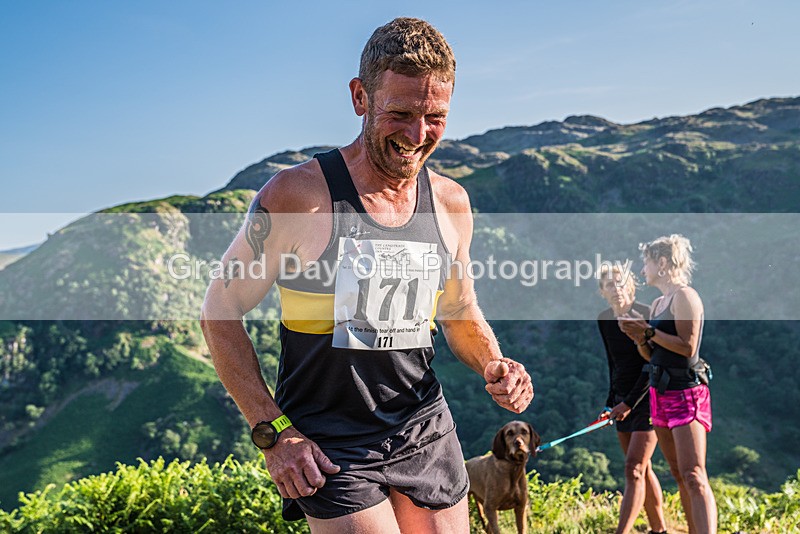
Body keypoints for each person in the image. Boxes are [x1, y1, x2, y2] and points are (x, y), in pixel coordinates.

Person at [200, 17, 533, 534]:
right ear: (360, 97)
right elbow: (219, 313)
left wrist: (495, 364)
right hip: (330, 437)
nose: (417, 135)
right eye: (399, 113)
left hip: (422, 426)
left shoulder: (450, 203)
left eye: (435, 117)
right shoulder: (297, 197)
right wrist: (274, 433)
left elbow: (459, 311)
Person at [618, 235, 717, 533]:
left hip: (687, 394)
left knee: (694, 475)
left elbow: (688, 347)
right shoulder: (660, 302)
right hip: (659, 394)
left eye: (646, 262)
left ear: (662, 263)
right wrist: (638, 339)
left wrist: (647, 332)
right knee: (678, 473)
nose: (642, 269)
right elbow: (653, 353)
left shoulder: (685, 296)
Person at [596, 264, 668, 534]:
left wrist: (628, 402)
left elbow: (654, 364)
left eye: (621, 283)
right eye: (609, 285)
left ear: (632, 286)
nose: (616, 289)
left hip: (649, 397)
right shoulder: (605, 319)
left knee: (634, 468)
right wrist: (610, 402)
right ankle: (659, 529)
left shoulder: (648, 314)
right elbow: (612, 364)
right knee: (643, 468)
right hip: (622, 401)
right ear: (602, 292)